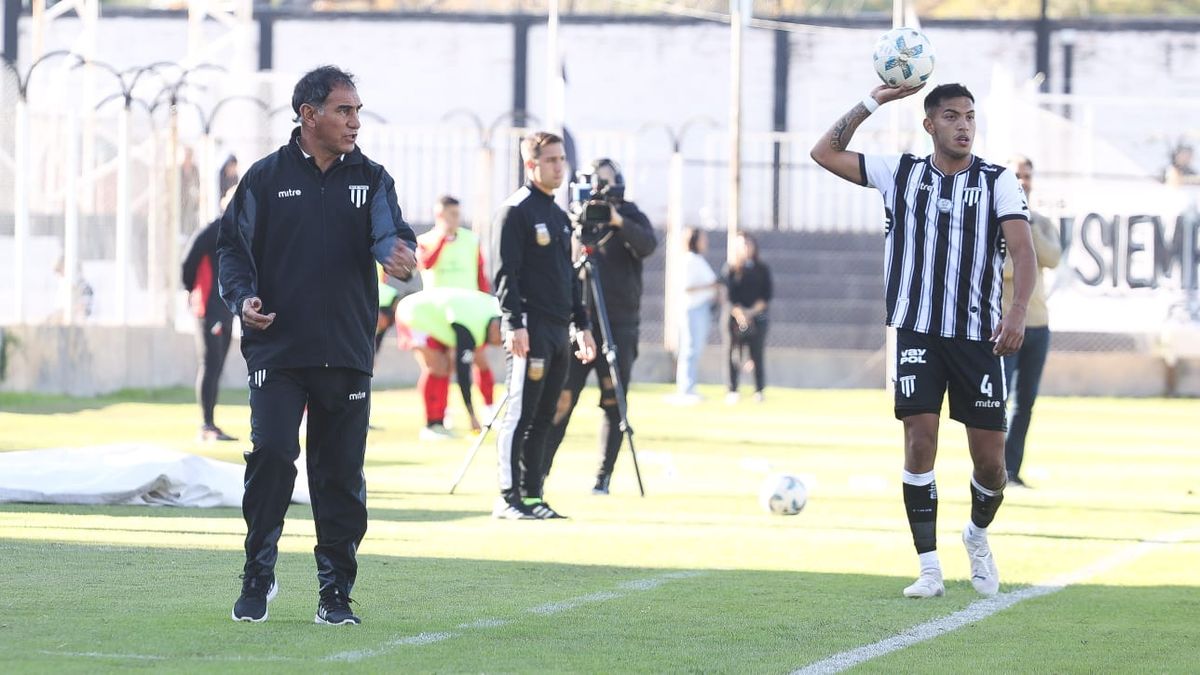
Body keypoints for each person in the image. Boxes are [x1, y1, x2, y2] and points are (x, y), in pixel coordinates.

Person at [810, 82, 1037, 599]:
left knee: (992, 464)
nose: (963, 125)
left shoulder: (998, 181)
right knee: (919, 440)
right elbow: (824, 152)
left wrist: (1017, 310)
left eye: (970, 117)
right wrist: (876, 100)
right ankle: (929, 567)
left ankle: (976, 536)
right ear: (930, 124)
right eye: (952, 116)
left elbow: (1022, 252)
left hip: (978, 335)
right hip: (916, 329)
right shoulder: (902, 172)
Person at [218, 66, 417, 625]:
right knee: (274, 456)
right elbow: (231, 249)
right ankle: (258, 571)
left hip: (349, 351)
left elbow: (390, 231)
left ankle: (335, 594)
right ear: (309, 115)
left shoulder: (374, 178)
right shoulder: (263, 178)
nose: (356, 121)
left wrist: (397, 252)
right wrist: (242, 299)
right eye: (344, 110)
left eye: (357, 110)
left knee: (338, 477)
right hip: (278, 349)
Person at [489, 130, 597, 520]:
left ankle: (533, 494)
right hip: (528, 327)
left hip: (557, 330)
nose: (559, 167)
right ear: (531, 164)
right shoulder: (515, 211)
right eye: (550, 160)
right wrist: (514, 322)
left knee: (546, 413)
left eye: (561, 159)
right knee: (520, 412)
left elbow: (568, 277)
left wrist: (581, 323)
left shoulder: (558, 215)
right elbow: (505, 273)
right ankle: (507, 496)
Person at [542, 158, 658, 495]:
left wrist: (618, 220)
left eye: (606, 184)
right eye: (593, 184)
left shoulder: (630, 214)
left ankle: (603, 477)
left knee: (613, 400)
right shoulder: (572, 218)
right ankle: (538, 473)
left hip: (619, 323)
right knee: (561, 396)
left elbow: (647, 245)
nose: (599, 192)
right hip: (579, 324)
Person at [1002, 156, 1062, 488]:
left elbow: (1052, 258)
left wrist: (1027, 227)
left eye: (1026, 176)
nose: (1022, 181)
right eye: (1016, 176)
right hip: (1007, 323)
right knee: (998, 399)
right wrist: (1024, 259)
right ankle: (991, 469)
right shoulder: (993, 221)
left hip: (1038, 324)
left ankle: (1012, 470)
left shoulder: (1038, 222)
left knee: (1026, 402)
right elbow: (1004, 270)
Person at [415, 195, 495, 426]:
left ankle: (488, 409)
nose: (454, 219)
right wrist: (442, 239)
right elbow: (425, 264)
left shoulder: (471, 240)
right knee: (440, 365)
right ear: (439, 216)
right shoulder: (425, 240)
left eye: (457, 214)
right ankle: (441, 414)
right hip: (437, 315)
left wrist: (486, 302)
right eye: (449, 214)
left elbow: (480, 273)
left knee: (479, 359)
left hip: (469, 313)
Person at [394, 288, 503, 439]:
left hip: (440, 317)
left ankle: (439, 421)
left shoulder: (493, 312)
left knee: (446, 367)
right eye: (501, 339)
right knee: (437, 367)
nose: (500, 343)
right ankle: (432, 425)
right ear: (496, 328)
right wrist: (471, 415)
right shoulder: (471, 327)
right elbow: (463, 373)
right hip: (414, 313)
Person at [182, 187, 238, 442]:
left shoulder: (240, 234)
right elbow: (188, 262)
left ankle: (210, 424)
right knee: (210, 364)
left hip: (227, 309)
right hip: (209, 307)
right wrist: (192, 290)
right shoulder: (213, 230)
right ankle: (206, 425)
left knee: (217, 366)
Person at [723, 230, 772, 404]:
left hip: (757, 318)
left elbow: (766, 296)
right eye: (741, 244)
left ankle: (759, 390)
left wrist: (751, 313)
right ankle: (732, 389)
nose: (745, 247)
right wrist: (739, 314)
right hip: (734, 318)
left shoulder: (762, 269)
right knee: (732, 353)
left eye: (748, 243)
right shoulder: (730, 269)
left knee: (757, 354)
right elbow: (728, 296)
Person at [673, 228, 720, 403]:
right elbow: (687, 287)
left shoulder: (698, 260)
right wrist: (711, 287)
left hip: (702, 308)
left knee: (695, 349)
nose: (705, 242)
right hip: (693, 308)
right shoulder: (690, 260)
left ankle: (689, 385)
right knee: (690, 349)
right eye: (702, 239)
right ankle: (686, 388)